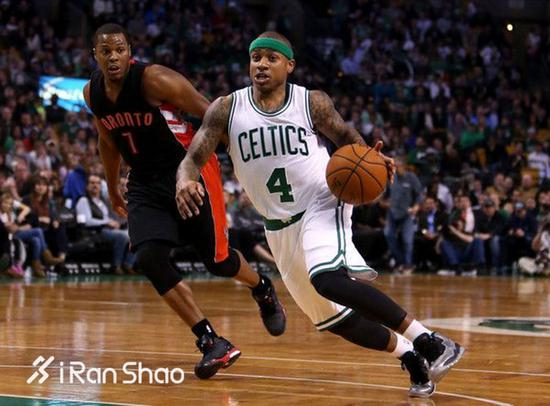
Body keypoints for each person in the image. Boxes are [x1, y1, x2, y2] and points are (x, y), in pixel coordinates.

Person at [176, 31, 465, 398]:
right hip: (278, 226)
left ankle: (431, 342)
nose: (261, 64)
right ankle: (410, 356)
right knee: (335, 320)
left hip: (322, 200)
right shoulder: (226, 109)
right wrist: (184, 180)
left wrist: (371, 158)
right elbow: (193, 158)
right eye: (256, 57)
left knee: (327, 278)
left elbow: (347, 137)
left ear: (289, 65)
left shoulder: (311, 102)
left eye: (271, 58)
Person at [83, 23, 285, 380]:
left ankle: (262, 287)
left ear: (130, 52)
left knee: (218, 262)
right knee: (148, 257)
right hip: (144, 181)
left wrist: (247, 166)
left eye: (119, 49)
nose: (113, 57)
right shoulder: (92, 93)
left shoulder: (154, 79)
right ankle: (211, 341)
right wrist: (113, 187)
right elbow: (107, 141)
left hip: (188, 170)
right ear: (95, 55)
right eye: (106, 51)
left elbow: (212, 114)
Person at [75, 174, 136, 274]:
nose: (95, 185)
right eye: (92, 183)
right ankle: (116, 266)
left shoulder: (102, 201)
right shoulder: (83, 200)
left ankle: (128, 264)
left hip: (108, 230)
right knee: (122, 236)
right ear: (87, 186)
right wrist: (107, 222)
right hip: (95, 232)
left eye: (98, 183)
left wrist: (114, 222)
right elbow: (86, 221)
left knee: (134, 235)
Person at [384, 156, 423, 274]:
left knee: (407, 240)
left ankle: (407, 265)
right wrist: (384, 202)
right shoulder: (391, 178)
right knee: (388, 234)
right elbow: (386, 194)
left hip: (407, 213)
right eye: (393, 166)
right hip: (392, 212)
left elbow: (419, 194)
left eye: (397, 166)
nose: (395, 168)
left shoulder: (412, 178)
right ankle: (401, 261)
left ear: (404, 166)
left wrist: (416, 206)